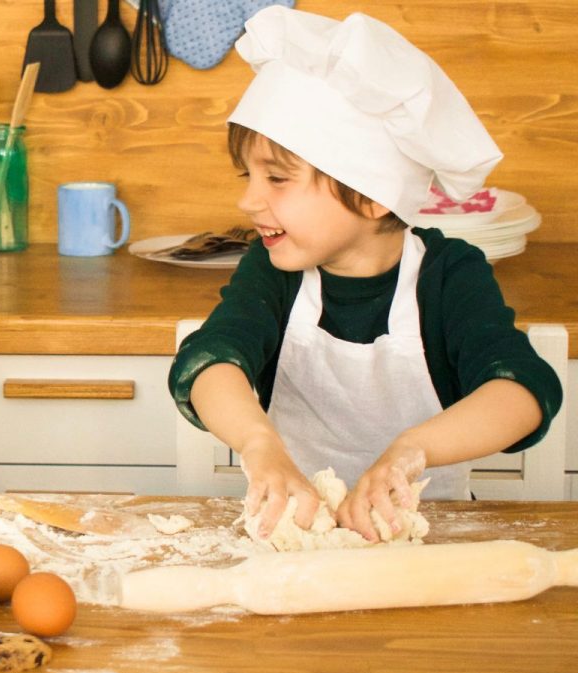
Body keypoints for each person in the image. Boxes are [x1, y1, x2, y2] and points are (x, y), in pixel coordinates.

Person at [169, 7, 562, 542]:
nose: (247, 199)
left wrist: (409, 452)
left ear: (373, 195)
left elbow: (521, 392)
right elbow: (212, 361)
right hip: (295, 535)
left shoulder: (449, 276)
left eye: (278, 179)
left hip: (430, 539)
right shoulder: (274, 272)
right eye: (248, 175)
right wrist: (260, 445)